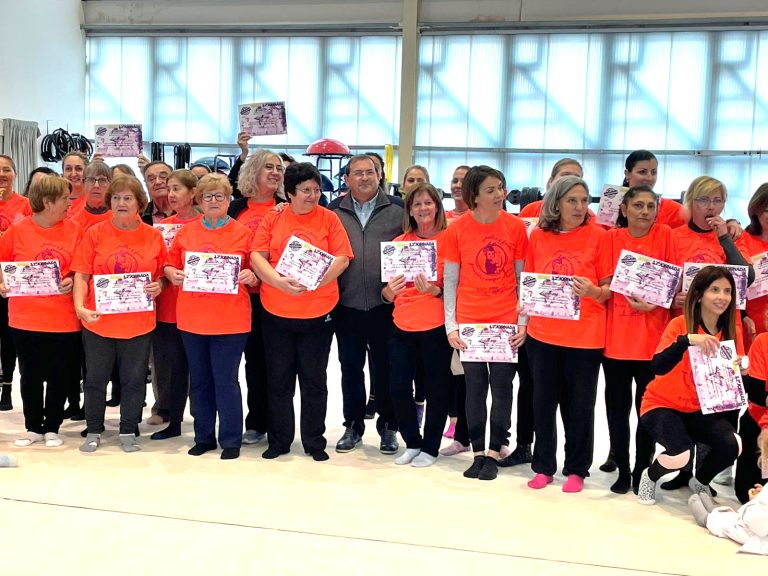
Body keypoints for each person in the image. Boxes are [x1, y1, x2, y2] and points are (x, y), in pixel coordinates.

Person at [251, 162, 352, 461]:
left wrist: (316, 280)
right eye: (305, 190)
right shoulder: (274, 217)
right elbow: (258, 255)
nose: (312, 196)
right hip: (276, 310)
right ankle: (279, 439)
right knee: (278, 379)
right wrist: (277, 282)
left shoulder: (329, 219)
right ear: (290, 193)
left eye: (316, 190)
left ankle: (314, 441)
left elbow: (343, 257)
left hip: (318, 312)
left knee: (314, 380)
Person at [523, 175, 612, 493]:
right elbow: (530, 281)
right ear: (556, 202)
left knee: (579, 406)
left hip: (585, 337)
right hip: (543, 334)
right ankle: (543, 466)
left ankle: (576, 469)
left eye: (584, 200)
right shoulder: (539, 236)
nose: (579, 206)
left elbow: (607, 290)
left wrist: (592, 290)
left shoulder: (599, 236)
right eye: (572, 200)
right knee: (542, 403)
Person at [165, 174, 258, 460]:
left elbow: (257, 272)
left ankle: (231, 439)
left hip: (231, 321)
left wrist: (251, 275)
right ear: (199, 201)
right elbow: (168, 264)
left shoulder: (243, 233)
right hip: (192, 318)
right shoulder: (186, 232)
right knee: (200, 381)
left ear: (229, 200)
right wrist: (172, 273)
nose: (214, 201)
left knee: (226, 379)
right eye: (208, 197)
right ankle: (203, 436)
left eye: (220, 196)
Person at [444, 165, 528, 481]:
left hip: (505, 322)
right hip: (470, 324)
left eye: (501, 188)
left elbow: (522, 278)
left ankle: (495, 450)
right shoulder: (457, 229)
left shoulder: (515, 227)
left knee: (502, 388)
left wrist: (523, 322)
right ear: (474, 196)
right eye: (490, 189)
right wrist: (451, 326)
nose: (498, 194)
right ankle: (477, 450)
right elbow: (451, 280)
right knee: (474, 389)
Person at [72, 176, 166, 453]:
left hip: (138, 323)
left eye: (127, 198)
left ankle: (127, 429)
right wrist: (80, 308)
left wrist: (158, 285)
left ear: (139, 203)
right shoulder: (95, 233)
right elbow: (81, 275)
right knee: (95, 380)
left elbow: (162, 276)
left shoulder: (153, 235)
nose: (121, 203)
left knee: (134, 380)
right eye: (116, 198)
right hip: (99, 321)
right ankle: (94, 429)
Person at [637, 266, 744, 504]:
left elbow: (732, 379)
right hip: (662, 404)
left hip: (699, 410)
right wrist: (686, 341)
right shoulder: (679, 324)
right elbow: (658, 366)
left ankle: (701, 481)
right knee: (680, 455)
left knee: (733, 444)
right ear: (699, 294)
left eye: (727, 291)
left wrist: (742, 370)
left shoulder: (732, 331)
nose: (722, 297)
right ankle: (651, 475)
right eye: (714, 290)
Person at [602, 186, 677, 494]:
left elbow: (673, 280)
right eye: (638, 205)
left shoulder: (665, 235)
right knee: (616, 410)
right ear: (625, 209)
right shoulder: (612, 239)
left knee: (646, 411)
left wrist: (656, 302)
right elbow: (606, 280)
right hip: (617, 341)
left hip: (652, 344)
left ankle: (641, 469)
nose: (645, 211)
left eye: (650, 206)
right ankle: (620, 465)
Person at [0, 175, 83, 446]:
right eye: (64, 200)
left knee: (60, 374)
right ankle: (33, 425)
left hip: (63, 318)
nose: (69, 205)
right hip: (26, 317)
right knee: (30, 374)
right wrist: (2, 283)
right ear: (47, 202)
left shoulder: (75, 230)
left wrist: (72, 279)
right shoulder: (17, 231)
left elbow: (83, 268)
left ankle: (53, 427)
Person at [329, 154, 403, 454]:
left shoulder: (398, 209)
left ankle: (388, 427)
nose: (364, 177)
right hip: (346, 304)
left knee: (388, 369)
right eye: (356, 173)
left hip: (388, 305)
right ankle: (353, 425)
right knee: (350, 368)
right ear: (346, 179)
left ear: (379, 175)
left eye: (369, 172)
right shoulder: (332, 211)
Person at [384, 183, 452, 468]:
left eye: (428, 203)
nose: (423, 209)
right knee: (398, 386)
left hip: (436, 327)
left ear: (437, 205)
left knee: (437, 388)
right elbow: (386, 294)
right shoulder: (400, 243)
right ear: (409, 211)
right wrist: (390, 290)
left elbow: (460, 289)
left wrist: (436, 291)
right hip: (403, 326)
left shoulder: (451, 241)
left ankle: (431, 447)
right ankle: (412, 441)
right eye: (417, 205)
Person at [227, 149, 284, 446]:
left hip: (274, 299)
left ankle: (275, 422)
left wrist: (263, 274)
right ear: (253, 172)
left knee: (272, 363)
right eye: (268, 168)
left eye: (278, 168)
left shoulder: (286, 208)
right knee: (249, 364)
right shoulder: (235, 207)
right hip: (238, 299)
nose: (275, 172)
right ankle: (255, 421)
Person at [149, 169, 201, 440]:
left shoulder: (207, 223)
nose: (170, 194)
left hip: (199, 308)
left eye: (177, 188)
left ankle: (203, 420)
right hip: (168, 306)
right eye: (169, 189)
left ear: (193, 193)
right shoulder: (162, 228)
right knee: (172, 367)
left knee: (200, 370)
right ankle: (172, 417)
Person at [689, 433, 768, 555]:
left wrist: (754, 501)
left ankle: (707, 519)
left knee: (732, 526)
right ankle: (718, 510)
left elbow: (756, 523)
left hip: (759, 532)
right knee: (739, 516)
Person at [0, 155, 33, 411]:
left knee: (8, 335)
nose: (2, 174)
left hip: (12, 281)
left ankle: (7, 387)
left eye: (6, 169)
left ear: (15, 174)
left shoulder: (25, 205)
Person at [736, 183, 768, 346]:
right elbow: (733, 283)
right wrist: (743, 316)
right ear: (756, 210)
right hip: (750, 322)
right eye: (767, 210)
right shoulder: (742, 240)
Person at [518, 158, 583, 218]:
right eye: (565, 175)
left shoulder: (586, 215)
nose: (570, 180)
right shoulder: (530, 210)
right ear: (551, 180)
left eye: (576, 177)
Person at [71, 161, 112, 230]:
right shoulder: (74, 224)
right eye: (90, 180)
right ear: (83, 183)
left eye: (102, 180)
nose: (96, 185)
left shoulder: (120, 219)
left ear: (110, 184)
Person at [62, 152, 88, 218]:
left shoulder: (93, 202)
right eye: (68, 169)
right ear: (63, 173)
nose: (73, 174)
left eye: (79, 169)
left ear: (87, 172)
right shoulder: (54, 201)